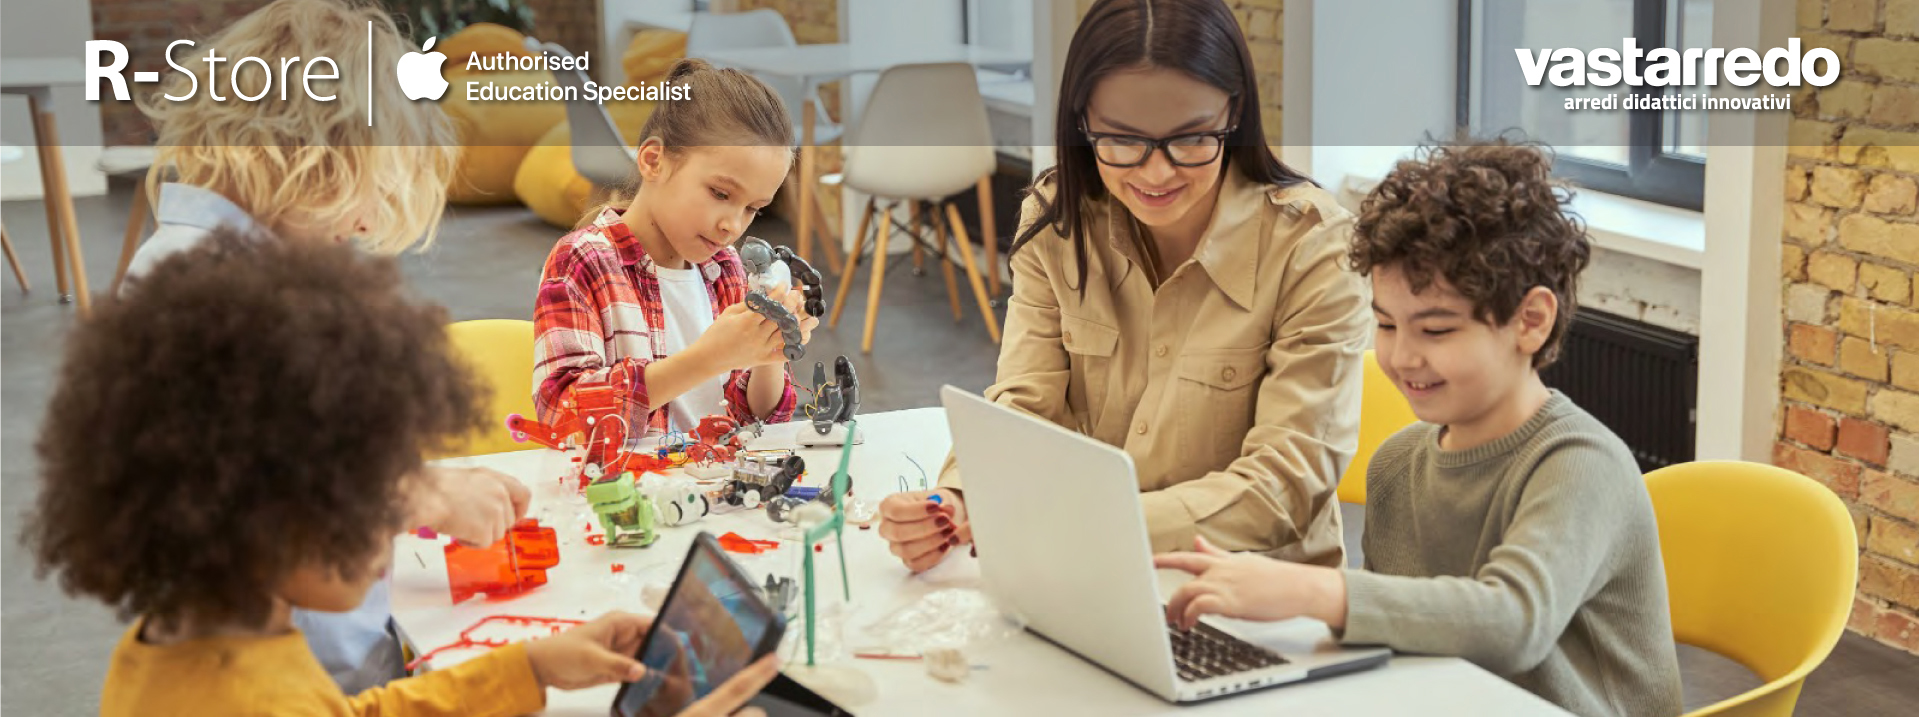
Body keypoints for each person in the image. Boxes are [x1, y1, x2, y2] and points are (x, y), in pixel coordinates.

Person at [26, 230, 781, 716]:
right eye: (376, 501)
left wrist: (531, 668)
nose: (396, 530)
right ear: (264, 514)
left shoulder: (203, 642)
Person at [1155, 140, 1684, 717]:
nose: (1402, 357)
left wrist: (1308, 591)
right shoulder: (1398, 464)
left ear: (1530, 321)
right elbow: (1401, 636)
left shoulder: (1581, 464)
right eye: (1385, 325)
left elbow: (1513, 623)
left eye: (1435, 331)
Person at [112, 0, 531, 691]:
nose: (367, 219)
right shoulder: (213, 285)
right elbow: (260, 496)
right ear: (316, 153)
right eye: (367, 187)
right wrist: (420, 495)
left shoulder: (203, 260)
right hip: (304, 675)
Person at [878, 0, 1369, 571]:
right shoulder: (1057, 218)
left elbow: (1284, 485)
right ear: (1082, 122)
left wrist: (1086, 521)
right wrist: (962, 497)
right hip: (1093, 570)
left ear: (1233, 114)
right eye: (1121, 140)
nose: (1155, 173)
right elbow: (1025, 403)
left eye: (1190, 139)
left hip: (1258, 597)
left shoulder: (1313, 246)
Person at [534, 59, 815, 437]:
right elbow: (563, 416)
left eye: (753, 209)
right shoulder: (583, 262)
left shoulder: (726, 269)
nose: (732, 224)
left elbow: (759, 422)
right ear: (654, 161)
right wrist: (707, 359)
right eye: (720, 193)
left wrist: (769, 354)